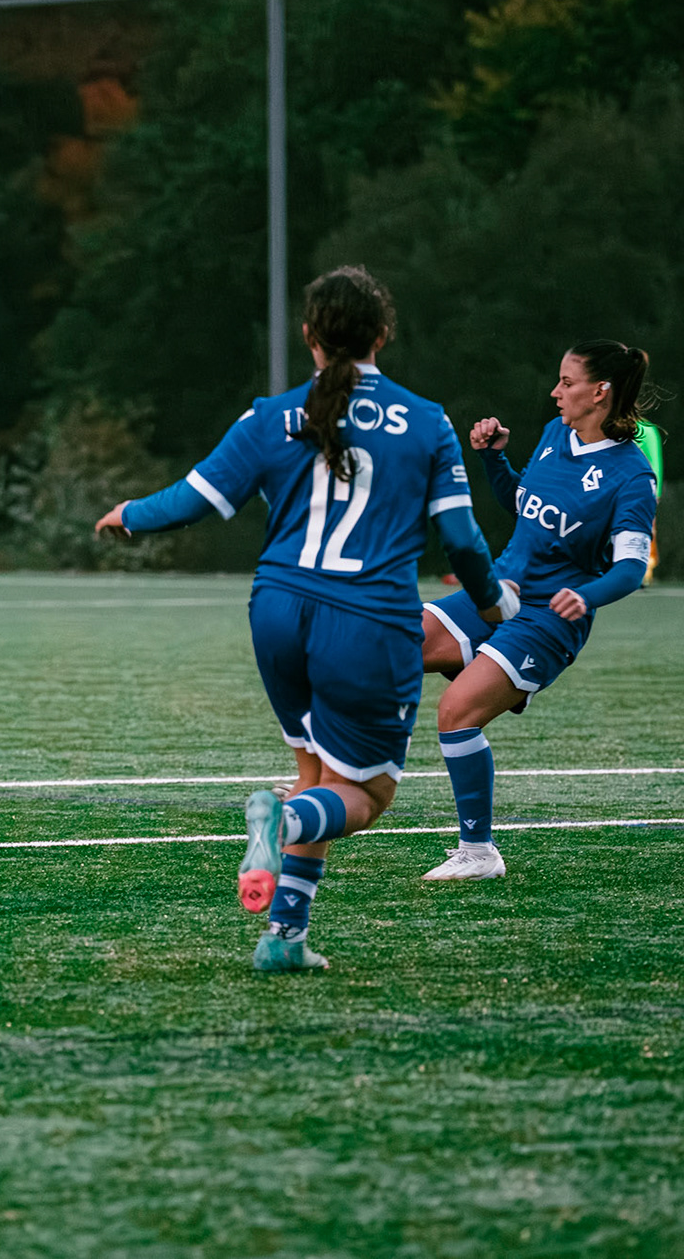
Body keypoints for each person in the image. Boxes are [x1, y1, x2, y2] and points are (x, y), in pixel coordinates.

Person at [95, 266, 514, 972]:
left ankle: (284, 937)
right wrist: (496, 605)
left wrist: (129, 515)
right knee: (366, 793)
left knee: (316, 771)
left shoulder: (269, 415)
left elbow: (195, 497)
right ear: (382, 335)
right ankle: (281, 822)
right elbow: (465, 542)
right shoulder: (428, 421)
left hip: (278, 613)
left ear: (309, 337)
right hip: (370, 622)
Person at [418, 340, 657, 881]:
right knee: (393, 646)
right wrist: (493, 458)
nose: (556, 392)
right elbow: (524, 503)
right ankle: (332, 779)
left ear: (601, 392)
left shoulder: (632, 476)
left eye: (567, 383)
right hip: (498, 592)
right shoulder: (556, 435)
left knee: (456, 712)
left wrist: (588, 594)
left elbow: (629, 568)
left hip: (549, 620)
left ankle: (478, 852)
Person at [634, 416, 663, 585]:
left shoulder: (647, 431)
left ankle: (645, 569)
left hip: (643, 492)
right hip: (618, 490)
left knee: (645, 528)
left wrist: (655, 492)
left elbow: (654, 462)